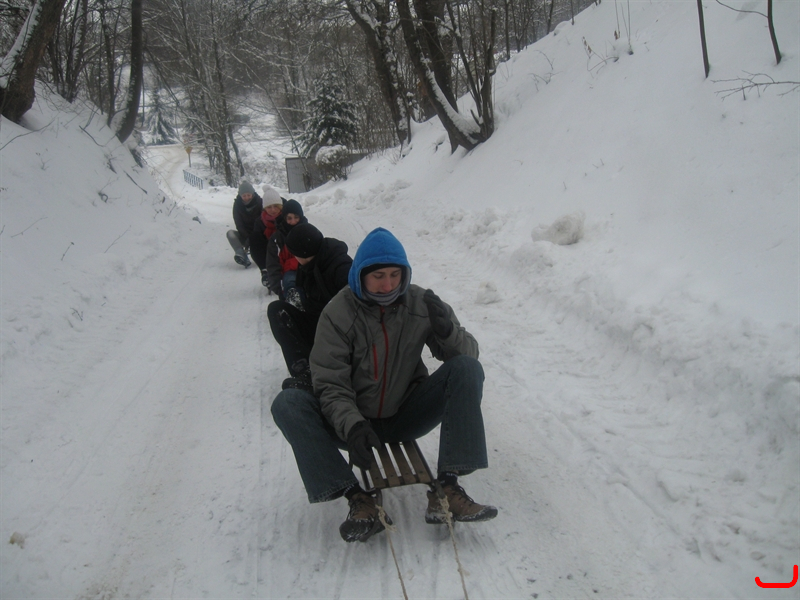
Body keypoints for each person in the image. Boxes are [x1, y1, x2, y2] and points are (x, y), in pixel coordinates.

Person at [270, 227, 497, 543]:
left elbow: (469, 357)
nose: (388, 284)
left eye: (395, 274)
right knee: (288, 404)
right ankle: (358, 499)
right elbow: (330, 381)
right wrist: (352, 426)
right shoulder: (338, 313)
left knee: (467, 368)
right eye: (378, 276)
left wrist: (448, 333)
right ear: (361, 275)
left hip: (406, 412)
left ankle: (446, 488)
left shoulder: (420, 302)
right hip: (356, 426)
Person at [267, 223, 352, 391]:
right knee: (278, 311)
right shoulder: (308, 265)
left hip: (340, 333)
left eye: (294, 253)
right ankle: (305, 372)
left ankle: (324, 374)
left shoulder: (341, 268)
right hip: (319, 324)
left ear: (303, 253)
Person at [263, 199, 305, 298]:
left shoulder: (309, 232)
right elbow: (273, 265)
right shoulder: (277, 238)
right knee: (290, 281)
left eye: (296, 217)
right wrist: (278, 288)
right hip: (289, 273)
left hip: (308, 270)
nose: (293, 221)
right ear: (284, 218)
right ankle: (294, 299)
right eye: (289, 218)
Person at [226, 180, 263, 268]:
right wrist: (246, 237)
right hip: (245, 234)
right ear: (240, 196)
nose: (246, 198)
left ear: (252, 194)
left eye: (248, 195)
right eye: (244, 196)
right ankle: (241, 255)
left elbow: (263, 220)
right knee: (230, 233)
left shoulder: (260, 202)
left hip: (259, 234)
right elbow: (238, 223)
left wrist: (254, 236)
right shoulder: (237, 205)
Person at [250, 184, 284, 276]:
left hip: (284, 248)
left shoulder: (286, 217)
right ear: (265, 208)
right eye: (269, 207)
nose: (273, 210)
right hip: (268, 250)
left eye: (275, 206)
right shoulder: (260, 221)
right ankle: (265, 270)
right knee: (254, 237)